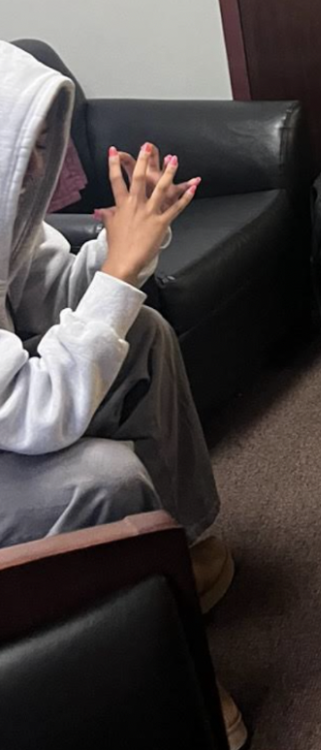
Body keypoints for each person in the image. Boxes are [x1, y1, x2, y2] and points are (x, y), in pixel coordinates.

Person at [0, 41, 248, 748]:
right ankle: (178, 663)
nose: (41, 165)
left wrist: (126, 248)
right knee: (105, 481)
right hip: (17, 422)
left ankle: (184, 547)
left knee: (146, 333)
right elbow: (37, 409)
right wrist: (121, 271)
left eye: (46, 143)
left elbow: (59, 295)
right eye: (29, 146)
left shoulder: (4, 219)